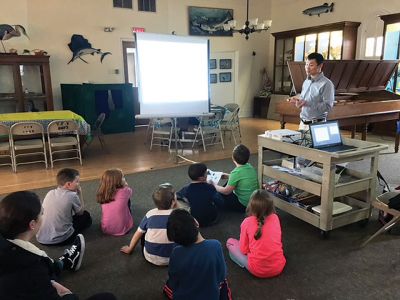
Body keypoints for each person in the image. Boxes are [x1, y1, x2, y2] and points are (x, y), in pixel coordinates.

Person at [0, 191, 115, 300]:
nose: (44, 215)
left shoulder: (12, 249)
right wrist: (67, 295)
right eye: (42, 213)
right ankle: (63, 264)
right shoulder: (31, 269)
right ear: (32, 224)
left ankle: (65, 262)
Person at [163, 209, 232, 300]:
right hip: (211, 296)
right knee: (224, 284)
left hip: (184, 296)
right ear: (196, 222)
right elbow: (222, 274)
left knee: (168, 286)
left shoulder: (176, 253)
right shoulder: (215, 246)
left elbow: (174, 278)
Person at [226, 189, 286, 278]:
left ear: (251, 206)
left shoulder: (246, 222)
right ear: (271, 206)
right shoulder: (275, 218)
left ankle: (242, 262)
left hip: (257, 270)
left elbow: (243, 250)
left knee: (230, 242)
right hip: (279, 266)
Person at [120, 183, 177, 266]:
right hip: (174, 258)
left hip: (150, 257)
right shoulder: (179, 214)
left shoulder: (150, 214)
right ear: (173, 202)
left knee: (143, 230)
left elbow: (137, 234)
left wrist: (130, 248)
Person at [36, 168, 92, 246]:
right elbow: (80, 213)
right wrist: (80, 194)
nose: (79, 184)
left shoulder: (50, 193)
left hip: (41, 238)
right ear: (68, 184)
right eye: (77, 181)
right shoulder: (72, 196)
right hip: (62, 239)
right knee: (86, 216)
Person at [287, 52, 335, 131]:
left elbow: (328, 106)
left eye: (311, 65)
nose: (307, 68)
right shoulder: (306, 81)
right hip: (302, 124)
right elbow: (303, 99)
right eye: (306, 64)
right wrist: (298, 102)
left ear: (320, 66)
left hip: (317, 125)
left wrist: (308, 103)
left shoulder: (327, 84)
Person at [212, 144, 259, 212]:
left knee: (220, 196)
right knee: (227, 184)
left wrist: (214, 185)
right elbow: (240, 177)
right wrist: (225, 175)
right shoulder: (250, 167)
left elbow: (226, 191)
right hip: (254, 200)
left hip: (244, 205)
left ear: (233, 158)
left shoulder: (236, 173)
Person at [96, 168, 134, 236]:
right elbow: (130, 192)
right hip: (123, 229)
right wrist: (125, 185)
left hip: (106, 229)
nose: (124, 179)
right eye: (123, 177)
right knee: (127, 201)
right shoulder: (125, 191)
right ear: (118, 181)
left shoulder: (102, 192)